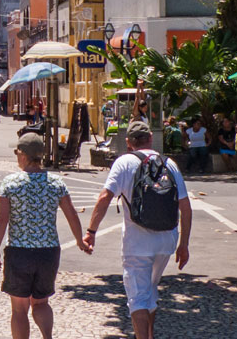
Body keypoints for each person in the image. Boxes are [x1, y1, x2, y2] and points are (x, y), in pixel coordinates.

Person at [82, 120, 191, 339]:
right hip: (166, 241)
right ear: (151, 138)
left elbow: (105, 198)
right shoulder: (169, 163)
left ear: (129, 142)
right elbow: (186, 208)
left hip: (137, 244)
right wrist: (184, 245)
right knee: (150, 291)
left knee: (137, 298)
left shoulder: (124, 163)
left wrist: (91, 231)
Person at [0, 133, 90, 339]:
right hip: (48, 252)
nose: (16, 157)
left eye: (17, 153)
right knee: (41, 302)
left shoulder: (10, 183)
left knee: (19, 309)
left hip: (19, 252)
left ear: (24, 156)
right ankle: (47, 337)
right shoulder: (56, 183)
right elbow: (71, 213)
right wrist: (79, 240)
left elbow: (1, 219)